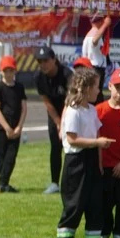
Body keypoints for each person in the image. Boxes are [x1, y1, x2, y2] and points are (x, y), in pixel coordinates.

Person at [57, 66, 113, 238]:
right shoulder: (74, 110)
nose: (99, 90)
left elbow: (96, 131)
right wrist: (97, 142)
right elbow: (72, 139)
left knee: (94, 197)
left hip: (91, 157)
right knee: (76, 199)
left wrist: (98, 161)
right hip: (76, 160)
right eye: (97, 86)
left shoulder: (91, 110)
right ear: (87, 87)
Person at [95, 68, 120, 238]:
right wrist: (100, 163)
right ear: (109, 86)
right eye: (118, 87)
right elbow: (96, 138)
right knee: (104, 201)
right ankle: (103, 232)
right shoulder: (99, 110)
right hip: (105, 165)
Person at [36, 45, 71, 195]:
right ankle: (54, 183)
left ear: (54, 60)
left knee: (70, 148)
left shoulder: (67, 74)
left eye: (45, 61)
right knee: (55, 148)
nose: (43, 64)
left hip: (71, 112)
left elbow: (70, 100)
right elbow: (47, 102)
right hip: (54, 114)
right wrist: (57, 122)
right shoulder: (38, 77)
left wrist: (63, 123)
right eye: (40, 61)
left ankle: (70, 183)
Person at [0, 55, 26, 193]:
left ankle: (3, 184)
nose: (8, 73)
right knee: (0, 155)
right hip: (1, 127)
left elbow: (24, 108)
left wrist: (19, 126)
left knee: (11, 156)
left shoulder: (19, 87)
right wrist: (6, 127)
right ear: (1, 72)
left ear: (15, 71)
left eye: (11, 70)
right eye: (6, 71)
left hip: (15, 126)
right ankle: (3, 183)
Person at [82, 15, 110, 82]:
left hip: (88, 66)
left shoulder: (88, 35)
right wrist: (105, 25)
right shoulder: (95, 33)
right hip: (96, 67)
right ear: (100, 22)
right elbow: (94, 41)